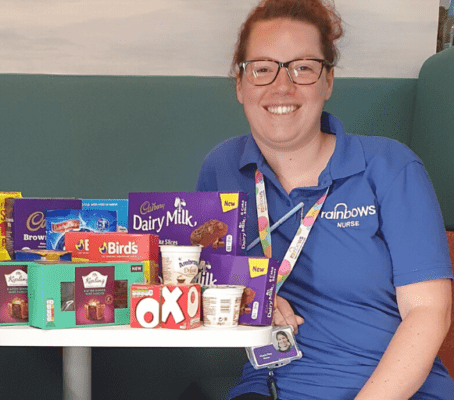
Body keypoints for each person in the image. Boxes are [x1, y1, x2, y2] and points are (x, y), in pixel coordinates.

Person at [195, 0, 454, 399]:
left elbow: (429, 312)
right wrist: (248, 292)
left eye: (303, 67)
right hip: (269, 387)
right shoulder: (222, 167)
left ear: (328, 81)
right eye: (262, 69)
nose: (282, 86)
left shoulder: (390, 167)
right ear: (240, 85)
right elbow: (197, 275)